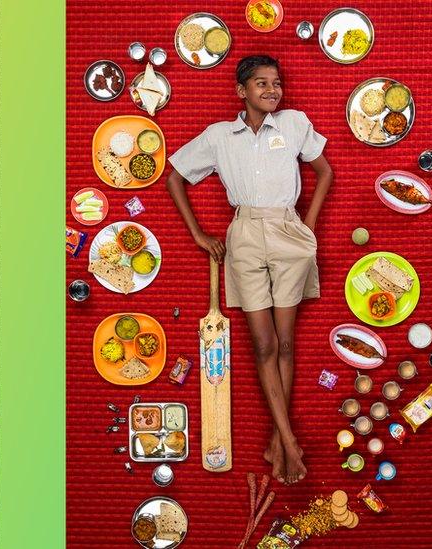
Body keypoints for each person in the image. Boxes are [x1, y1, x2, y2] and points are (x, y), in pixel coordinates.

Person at [166, 55, 333, 484]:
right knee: (263, 347)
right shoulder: (220, 136)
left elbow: (324, 171)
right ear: (242, 91)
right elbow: (174, 178)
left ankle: (280, 439)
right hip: (242, 235)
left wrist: (306, 227)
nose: (272, 90)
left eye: (277, 83)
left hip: (288, 231)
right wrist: (201, 236)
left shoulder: (294, 123)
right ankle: (287, 440)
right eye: (262, 84)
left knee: (286, 343)